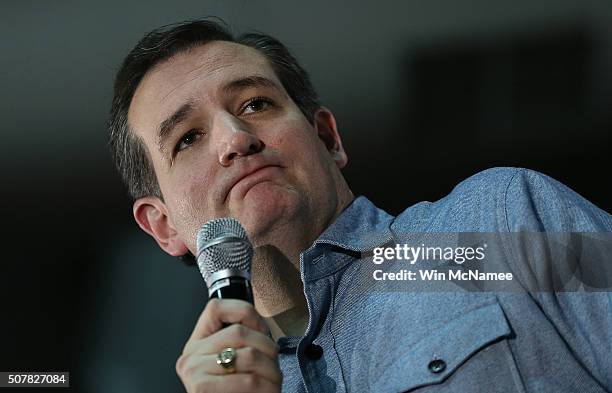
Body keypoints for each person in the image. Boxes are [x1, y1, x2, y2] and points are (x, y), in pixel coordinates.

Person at [108, 19, 612, 393]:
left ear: (327, 138)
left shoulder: (499, 222)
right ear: (164, 226)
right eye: (188, 138)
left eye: (255, 105)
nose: (234, 139)